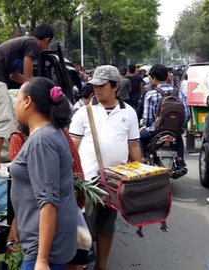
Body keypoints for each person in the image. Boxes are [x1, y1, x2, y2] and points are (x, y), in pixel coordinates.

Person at [69, 65, 142, 270]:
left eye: (102, 86)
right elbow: (72, 146)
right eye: (95, 86)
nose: (97, 90)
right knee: (83, 230)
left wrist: (141, 175)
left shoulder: (128, 113)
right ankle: (80, 265)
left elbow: (134, 145)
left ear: (115, 86)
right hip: (87, 183)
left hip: (114, 183)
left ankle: (101, 266)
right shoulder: (84, 112)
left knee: (106, 228)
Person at [9, 77, 78, 270]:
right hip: (43, 238)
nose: (15, 103)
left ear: (28, 102)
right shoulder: (51, 132)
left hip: (45, 245)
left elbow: (48, 201)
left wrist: (42, 259)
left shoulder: (41, 141)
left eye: (17, 98)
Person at [0, 23, 55, 173]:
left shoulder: (23, 46)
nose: (46, 47)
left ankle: (11, 158)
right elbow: (28, 77)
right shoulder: (31, 43)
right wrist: (41, 88)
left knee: (10, 119)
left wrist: (32, 84)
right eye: (48, 44)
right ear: (47, 40)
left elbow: (14, 75)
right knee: (4, 120)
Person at [140, 64, 189, 169]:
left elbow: (148, 118)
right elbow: (186, 114)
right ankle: (180, 161)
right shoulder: (178, 93)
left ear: (152, 78)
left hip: (155, 131)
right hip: (174, 131)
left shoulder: (151, 94)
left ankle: (143, 160)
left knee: (140, 137)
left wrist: (145, 126)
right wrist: (180, 127)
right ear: (168, 76)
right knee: (179, 138)